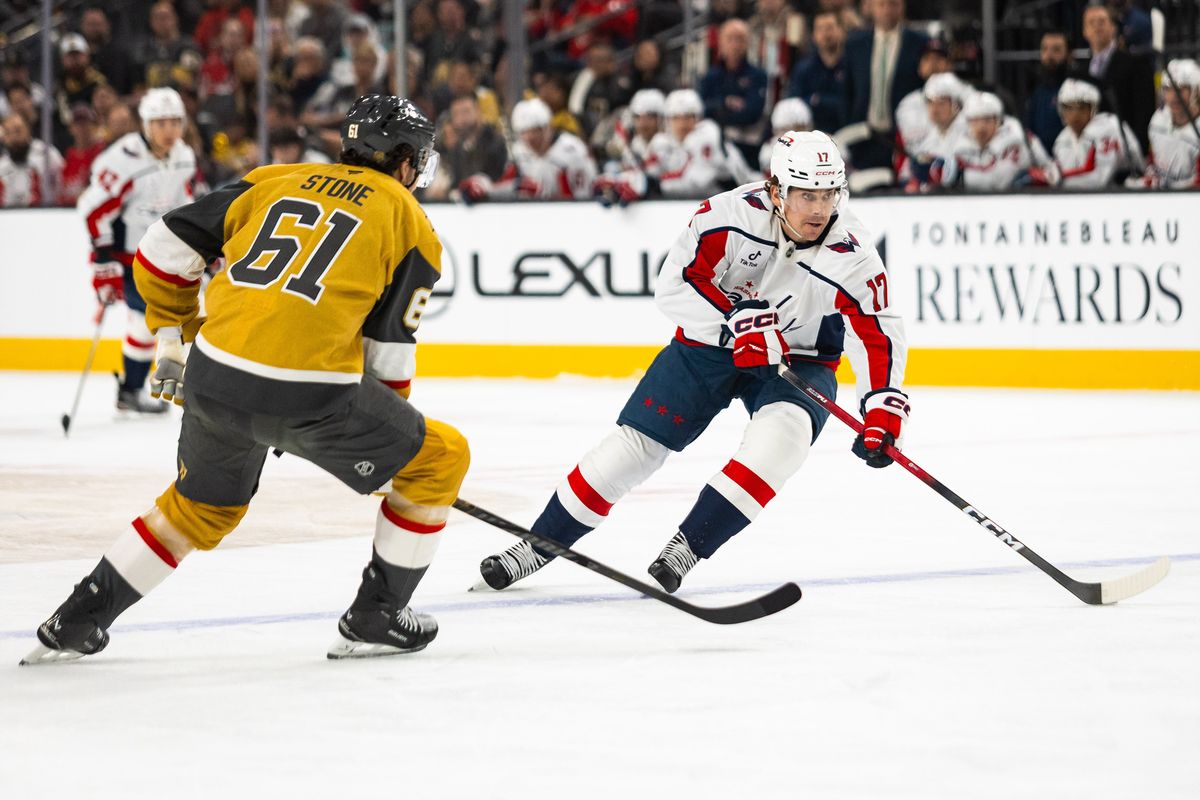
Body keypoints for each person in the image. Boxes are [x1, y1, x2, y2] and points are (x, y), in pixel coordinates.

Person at [22, 95, 470, 666]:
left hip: (211, 375)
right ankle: (376, 616)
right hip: (311, 394)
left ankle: (76, 618)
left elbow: (160, 248)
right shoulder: (410, 222)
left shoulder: (275, 178)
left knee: (198, 508)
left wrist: (172, 334)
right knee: (441, 460)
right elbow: (387, 365)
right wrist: (385, 455)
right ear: (405, 162)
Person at [478, 131, 910, 594]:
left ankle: (687, 546)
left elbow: (877, 329)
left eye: (829, 194)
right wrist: (735, 320)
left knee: (781, 442)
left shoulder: (853, 252)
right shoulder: (725, 216)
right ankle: (537, 544)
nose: (820, 210)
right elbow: (674, 286)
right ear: (775, 190)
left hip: (798, 358)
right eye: (807, 195)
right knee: (635, 446)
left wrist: (882, 408)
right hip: (707, 347)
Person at [76, 88, 200, 414]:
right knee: (145, 320)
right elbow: (92, 209)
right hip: (126, 257)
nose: (169, 130)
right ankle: (131, 389)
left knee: (147, 322)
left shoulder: (184, 156)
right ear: (146, 125)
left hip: (161, 254)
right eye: (160, 123)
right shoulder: (123, 160)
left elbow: (183, 199)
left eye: (175, 122)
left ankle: (130, 391)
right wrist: (103, 259)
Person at [473, 98, 596, 200]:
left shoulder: (573, 151)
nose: (529, 138)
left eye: (535, 131)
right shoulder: (519, 150)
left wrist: (542, 195)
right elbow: (505, 182)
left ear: (548, 127)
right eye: (523, 132)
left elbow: (582, 198)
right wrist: (482, 187)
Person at [938, 92, 1058, 191]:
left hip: (1015, 207)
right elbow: (945, 183)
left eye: (987, 120)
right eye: (976, 120)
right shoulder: (957, 145)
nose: (981, 127)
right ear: (968, 122)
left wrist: (1034, 180)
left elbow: (1052, 172)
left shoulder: (1021, 137)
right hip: (971, 211)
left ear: (998, 121)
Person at [1080, 4, 1154, 153]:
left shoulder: (1135, 64)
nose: (1097, 27)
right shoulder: (1080, 69)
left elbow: (1144, 111)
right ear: (1084, 32)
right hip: (1091, 150)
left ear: (1113, 28)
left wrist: (1139, 149)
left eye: (1101, 21)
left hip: (1125, 150)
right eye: (1091, 23)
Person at [1052, 78, 1144, 189]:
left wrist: (1057, 178)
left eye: (1082, 108)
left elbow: (1099, 180)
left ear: (1093, 109)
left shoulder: (1108, 126)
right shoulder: (1062, 140)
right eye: (1069, 108)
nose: (1075, 115)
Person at [898, 71, 968, 192]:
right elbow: (906, 177)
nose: (934, 109)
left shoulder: (970, 134)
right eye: (930, 103)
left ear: (956, 105)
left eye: (941, 103)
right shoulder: (926, 139)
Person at [1143, 58, 1200, 188]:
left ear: (1196, 91)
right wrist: (1149, 178)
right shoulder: (1158, 119)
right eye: (1168, 89)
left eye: (1181, 88)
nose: (1174, 95)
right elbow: (1153, 161)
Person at [0, 112, 64, 207]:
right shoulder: (2, 165)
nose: (13, 137)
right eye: (8, 133)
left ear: (28, 130)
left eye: (18, 131)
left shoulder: (46, 154)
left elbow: (63, 185)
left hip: (46, 213)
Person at [759, 97, 813, 173]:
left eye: (800, 128)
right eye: (785, 129)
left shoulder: (813, 146)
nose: (794, 134)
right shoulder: (770, 150)